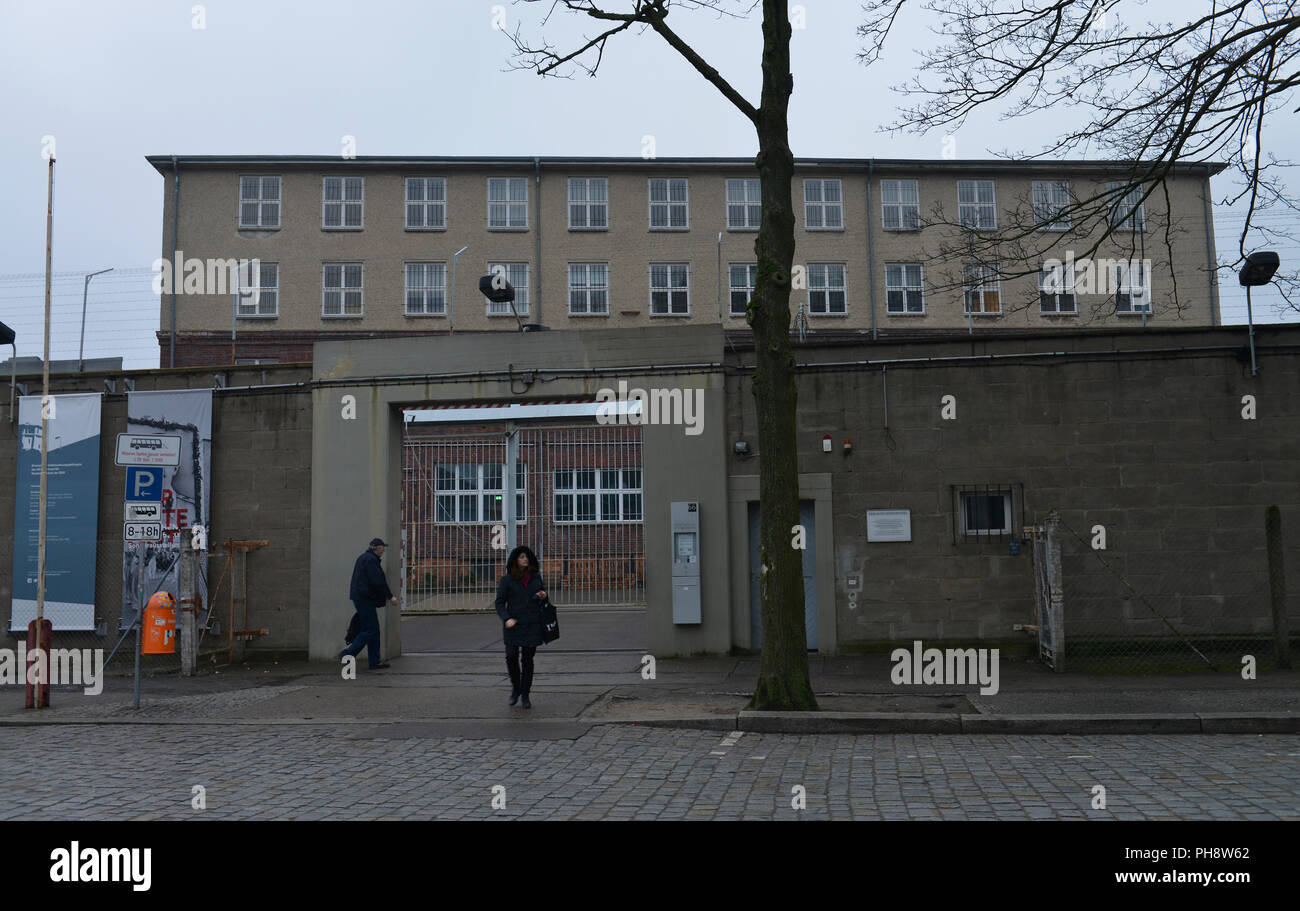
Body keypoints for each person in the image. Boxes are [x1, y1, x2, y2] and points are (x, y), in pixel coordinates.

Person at [494, 545, 547, 709]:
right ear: (516, 560)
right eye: (522, 557)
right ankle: (515, 688)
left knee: (527, 660)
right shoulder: (507, 580)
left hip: (532, 624)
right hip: (513, 624)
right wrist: (506, 618)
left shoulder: (536, 577)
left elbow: (542, 598)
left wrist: (542, 596)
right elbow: (500, 603)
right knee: (511, 657)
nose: (525, 559)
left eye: (527, 557)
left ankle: (525, 694)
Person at [340, 537, 398, 670]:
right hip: (365, 599)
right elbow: (378, 581)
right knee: (370, 630)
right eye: (382, 548)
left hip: (362, 598)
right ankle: (348, 654)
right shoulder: (371, 560)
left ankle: (374, 661)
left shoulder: (364, 558)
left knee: (374, 631)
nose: (383, 550)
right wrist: (390, 596)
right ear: (377, 548)